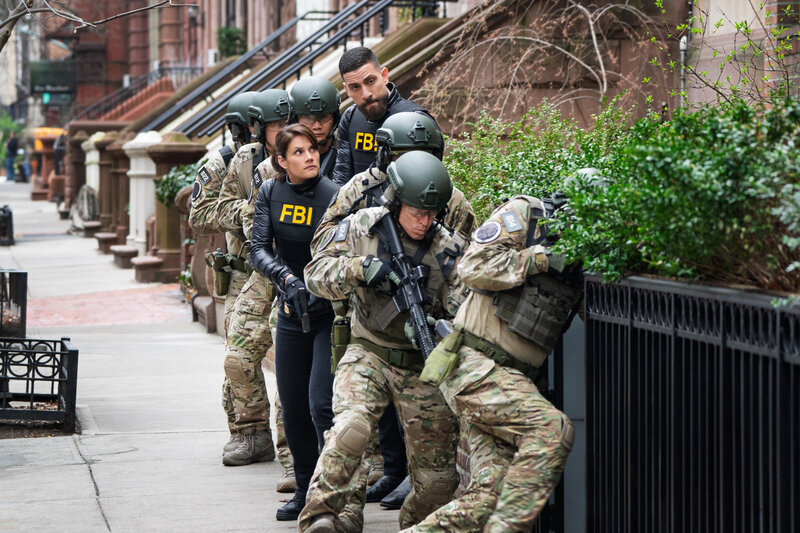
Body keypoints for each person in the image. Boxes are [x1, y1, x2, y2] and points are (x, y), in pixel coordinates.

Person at [313, 110, 476, 510]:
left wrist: (446, 326)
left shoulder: (451, 234)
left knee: (438, 484)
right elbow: (317, 264)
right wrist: (361, 269)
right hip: (367, 346)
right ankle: (329, 514)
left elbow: (468, 299)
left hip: (422, 362)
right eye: (417, 211)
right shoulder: (362, 217)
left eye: (431, 213)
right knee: (349, 434)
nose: (426, 220)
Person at [402, 195, 581, 533]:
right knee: (551, 429)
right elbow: (472, 267)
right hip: (474, 365)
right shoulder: (526, 216)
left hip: (513, 383)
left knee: (488, 498)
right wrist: (540, 258)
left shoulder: (584, 258)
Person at [248, 123, 340, 522]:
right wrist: (285, 279)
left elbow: (346, 246)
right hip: (290, 311)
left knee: (322, 404)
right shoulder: (270, 191)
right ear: (281, 161)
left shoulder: (335, 194)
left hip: (329, 314)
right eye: (299, 152)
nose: (310, 156)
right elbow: (258, 248)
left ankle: (331, 490)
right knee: (294, 409)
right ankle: (303, 489)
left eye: (313, 149)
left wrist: (322, 286)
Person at [216, 89, 291, 469]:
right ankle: (252, 432)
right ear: (258, 128)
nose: (282, 132)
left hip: (303, 271)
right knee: (239, 353)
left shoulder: (311, 154)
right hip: (259, 267)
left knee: (290, 358)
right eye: (274, 125)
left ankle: (292, 445)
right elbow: (222, 210)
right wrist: (253, 205)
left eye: (286, 123)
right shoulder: (251, 165)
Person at [189, 91, 258, 458]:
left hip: (286, 271)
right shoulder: (224, 161)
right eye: (240, 127)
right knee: (239, 359)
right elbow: (198, 215)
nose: (244, 133)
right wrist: (248, 211)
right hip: (241, 272)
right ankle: (248, 431)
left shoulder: (291, 152)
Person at [330, 46, 437, 186]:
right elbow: (341, 181)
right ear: (347, 90)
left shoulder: (416, 120)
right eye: (355, 87)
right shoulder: (350, 118)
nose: (366, 94)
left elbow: (428, 183)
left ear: (384, 75)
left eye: (370, 81)